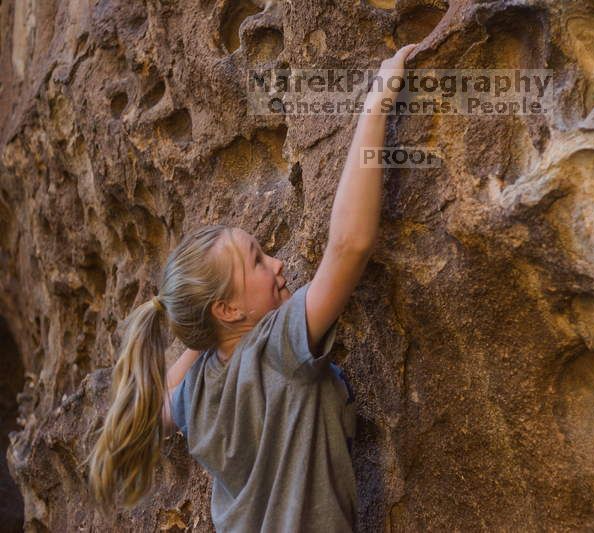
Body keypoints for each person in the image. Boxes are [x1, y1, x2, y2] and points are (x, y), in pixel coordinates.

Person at [84, 43, 418, 531]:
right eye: (258, 261)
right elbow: (350, 245)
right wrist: (377, 102)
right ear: (227, 310)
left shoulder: (194, 394)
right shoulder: (279, 346)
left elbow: (155, 404)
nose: (279, 264)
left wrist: (205, 329)